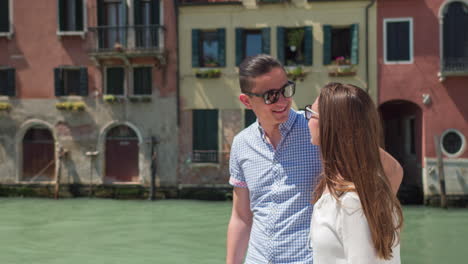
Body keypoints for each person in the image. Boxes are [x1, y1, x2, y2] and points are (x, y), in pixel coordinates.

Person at [226, 54, 402, 264]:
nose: (282, 101)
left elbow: (392, 171)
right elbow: (241, 218)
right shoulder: (241, 144)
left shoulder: (317, 129)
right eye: (271, 96)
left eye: (285, 90)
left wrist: (365, 216)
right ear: (247, 101)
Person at [306, 82, 403, 263]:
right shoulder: (339, 186)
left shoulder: (352, 203)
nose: (308, 120)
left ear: (330, 126)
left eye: (311, 114)